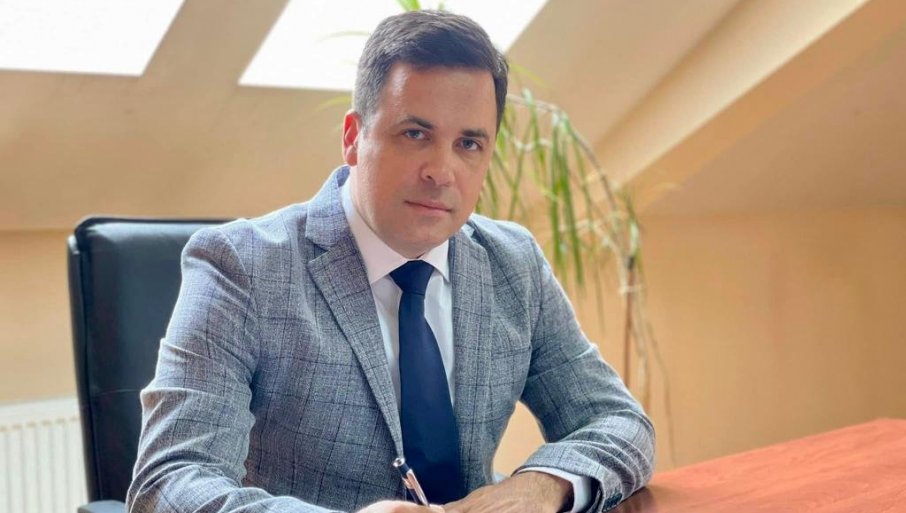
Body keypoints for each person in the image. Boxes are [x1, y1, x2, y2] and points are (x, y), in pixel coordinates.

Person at [127, 9, 654, 513]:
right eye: (415, 134)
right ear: (353, 138)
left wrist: (542, 485)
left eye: (469, 143)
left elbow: (617, 420)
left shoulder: (512, 264)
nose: (442, 171)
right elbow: (169, 482)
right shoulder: (243, 267)